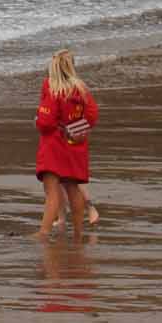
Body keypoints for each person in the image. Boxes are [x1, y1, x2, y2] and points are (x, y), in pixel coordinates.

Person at [33, 49, 100, 239]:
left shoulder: (52, 88)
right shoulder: (81, 89)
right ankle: (78, 232)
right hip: (75, 145)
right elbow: (92, 116)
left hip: (54, 146)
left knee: (52, 190)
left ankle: (44, 231)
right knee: (73, 187)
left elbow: (46, 122)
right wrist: (76, 129)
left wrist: (38, 119)